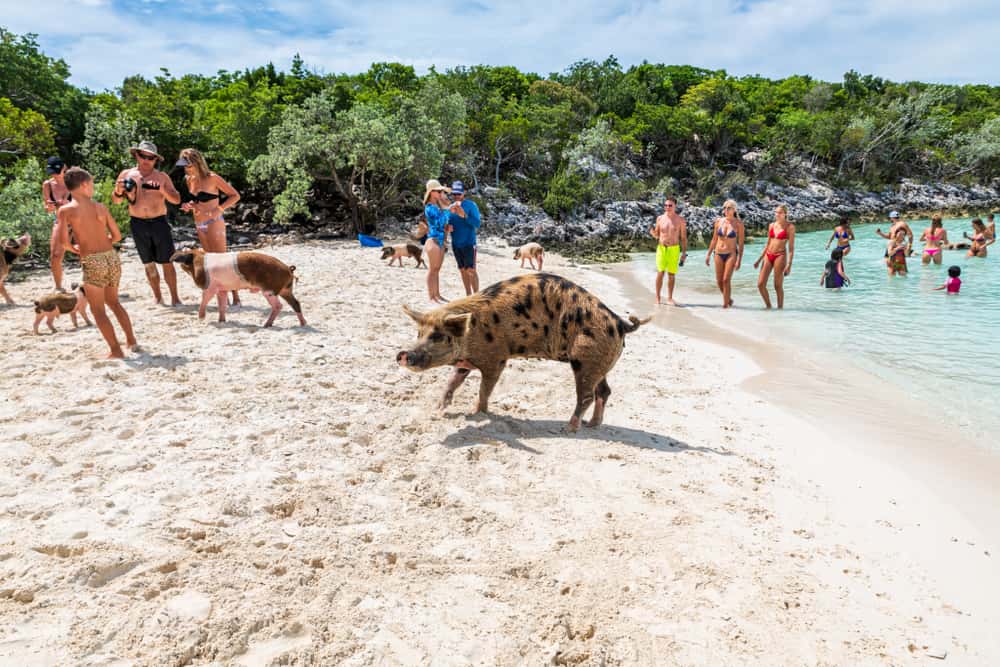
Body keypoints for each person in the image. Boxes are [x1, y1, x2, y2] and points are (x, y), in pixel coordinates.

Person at [53, 168, 137, 359]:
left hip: (92, 259)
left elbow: (64, 242)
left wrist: (77, 249)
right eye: (91, 184)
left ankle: (116, 350)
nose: (92, 188)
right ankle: (131, 340)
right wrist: (104, 240)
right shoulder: (100, 207)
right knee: (114, 302)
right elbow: (117, 236)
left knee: (97, 309)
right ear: (84, 185)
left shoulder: (65, 210)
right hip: (111, 257)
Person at [112, 141, 182, 305]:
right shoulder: (126, 174)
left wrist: (161, 189)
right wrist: (118, 191)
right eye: (143, 156)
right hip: (138, 223)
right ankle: (157, 297)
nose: (146, 160)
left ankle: (175, 297)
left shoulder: (162, 177)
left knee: (167, 262)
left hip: (159, 222)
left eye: (151, 158)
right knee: (148, 263)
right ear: (136, 155)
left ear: (156, 160)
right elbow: (116, 201)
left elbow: (177, 199)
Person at [177, 148, 242, 306]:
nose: (186, 168)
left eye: (188, 165)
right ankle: (222, 296)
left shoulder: (212, 178)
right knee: (211, 261)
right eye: (184, 165)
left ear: (197, 162)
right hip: (199, 223)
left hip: (214, 222)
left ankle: (236, 297)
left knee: (223, 261)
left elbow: (235, 196)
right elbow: (197, 201)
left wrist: (219, 208)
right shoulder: (189, 179)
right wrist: (189, 205)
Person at [753, 204, 795, 309]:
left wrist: (789, 265)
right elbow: (768, 244)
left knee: (777, 285)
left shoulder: (790, 227)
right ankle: (769, 307)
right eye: (776, 212)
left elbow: (791, 248)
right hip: (768, 255)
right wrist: (759, 260)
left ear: (785, 214)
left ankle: (780, 310)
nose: (777, 214)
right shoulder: (771, 225)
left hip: (780, 255)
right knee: (760, 284)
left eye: (780, 212)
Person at [704, 200, 743, 308]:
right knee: (719, 282)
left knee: (726, 280)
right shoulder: (718, 221)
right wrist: (708, 255)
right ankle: (729, 300)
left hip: (731, 254)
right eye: (724, 208)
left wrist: (739, 260)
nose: (726, 210)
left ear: (734, 210)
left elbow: (741, 244)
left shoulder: (739, 224)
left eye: (729, 208)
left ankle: (725, 306)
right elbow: (714, 239)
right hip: (718, 253)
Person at [650, 198, 688, 306]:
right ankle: (657, 297)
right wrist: (652, 233)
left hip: (674, 249)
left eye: (670, 205)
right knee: (660, 273)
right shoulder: (660, 218)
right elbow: (657, 234)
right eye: (666, 205)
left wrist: (684, 253)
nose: (668, 207)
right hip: (661, 249)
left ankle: (670, 298)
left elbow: (683, 238)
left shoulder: (680, 220)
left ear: (675, 206)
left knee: (671, 275)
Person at [447, 180, 481, 296]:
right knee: (462, 270)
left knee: (471, 270)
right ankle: (468, 295)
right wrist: (447, 227)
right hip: (456, 244)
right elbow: (446, 224)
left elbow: (477, 224)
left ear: (464, 192)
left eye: (459, 193)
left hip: (469, 243)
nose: (456, 196)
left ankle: (476, 296)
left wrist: (465, 216)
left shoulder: (471, 205)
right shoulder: (450, 208)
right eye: (454, 194)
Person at [43, 156, 72, 290]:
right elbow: (47, 206)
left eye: (57, 172)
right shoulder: (47, 185)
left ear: (63, 168)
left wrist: (69, 203)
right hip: (60, 221)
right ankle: (59, 287)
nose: (54, 175)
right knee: (55, 256)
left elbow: (86, 200)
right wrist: (49, 207)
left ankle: (91, 285)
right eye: (52, 172)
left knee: (86, 253)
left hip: (79, 220)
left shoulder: (73, 181)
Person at [423, 179, 452, 304]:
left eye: (441, 191)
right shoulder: (430, 207)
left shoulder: (438, 207)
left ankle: (437, 294)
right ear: (431, 192)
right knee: (432, 269)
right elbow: (440, 222)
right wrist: (447, 208)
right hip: (433, 240)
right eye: (438, 191)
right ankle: (432, 296)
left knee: (436, 269)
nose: (441, 193)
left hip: (440, 240)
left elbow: (444, 223)